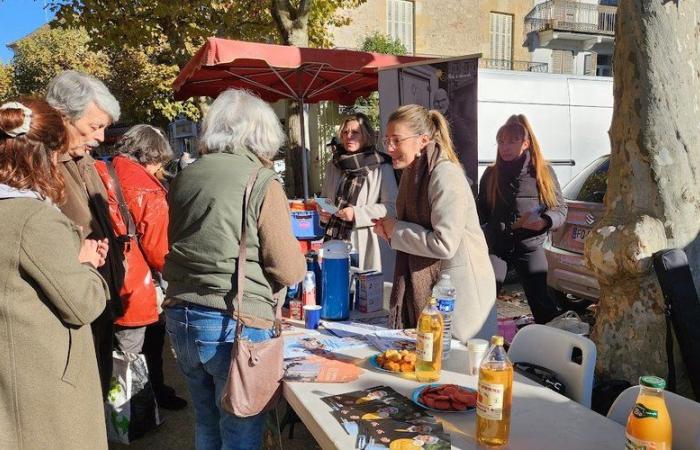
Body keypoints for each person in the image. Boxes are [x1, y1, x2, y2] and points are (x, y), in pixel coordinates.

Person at [163, 89, 306, 450]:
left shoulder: (186, 175)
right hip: (233, 321)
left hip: (181, 316)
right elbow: (288, 269)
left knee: (207, 422)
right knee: (240, 431)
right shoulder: (260, 180)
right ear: (261, 133)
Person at [0, 99, 110, 449]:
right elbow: (82, 305)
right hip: (43, 388)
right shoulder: (34, 218)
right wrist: (87, 263)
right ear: (45, 155)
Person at [373, 104, 497, 342]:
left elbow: (444, 243)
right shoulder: (415, 173)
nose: (389, 148)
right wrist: (391, 229)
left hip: (461, 295)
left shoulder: (444, 174)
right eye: (387, 140)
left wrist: (396, 230)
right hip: (441, 291)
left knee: (457, 373)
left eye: (396, 140)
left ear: (423, 140)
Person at [94, 124, 186, 409]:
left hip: (107, 269)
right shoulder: (145, 186)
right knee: (141, 346)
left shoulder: (103, 169)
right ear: (152, 156)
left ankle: (138, 400)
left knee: (119, 348)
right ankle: (135, 409)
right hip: (137, 280)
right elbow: (160, 250)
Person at [46, 70, 125, 398]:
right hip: (70, 309)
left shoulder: (85, 159)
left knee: (98, 387)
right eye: (95, 126)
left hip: (97, 299)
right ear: (63, 117)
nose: (102, 136)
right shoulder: (39, 163)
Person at [477, 114, 567, 324]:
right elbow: (480, 211)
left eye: (511, 141)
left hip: (530, 246)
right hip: (498, 246)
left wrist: (545, 221)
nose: (505, 147)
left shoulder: (542, 172)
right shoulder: (491, 173)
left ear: (526, 143)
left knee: (542, 303)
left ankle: (553, 348)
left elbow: (560, 208)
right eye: (501, 142)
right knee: (483, 298)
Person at [320, 113, 398, 271]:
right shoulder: (333, 165)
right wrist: (323, 213)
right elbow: (325, 200)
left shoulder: (381, 165)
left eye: (355, 132)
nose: (349, 136)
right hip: (333, 242)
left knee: (363, 293)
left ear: (366, 136)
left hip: (365, 243)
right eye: (345, 132)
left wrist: (357, 213)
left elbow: (392, 208)